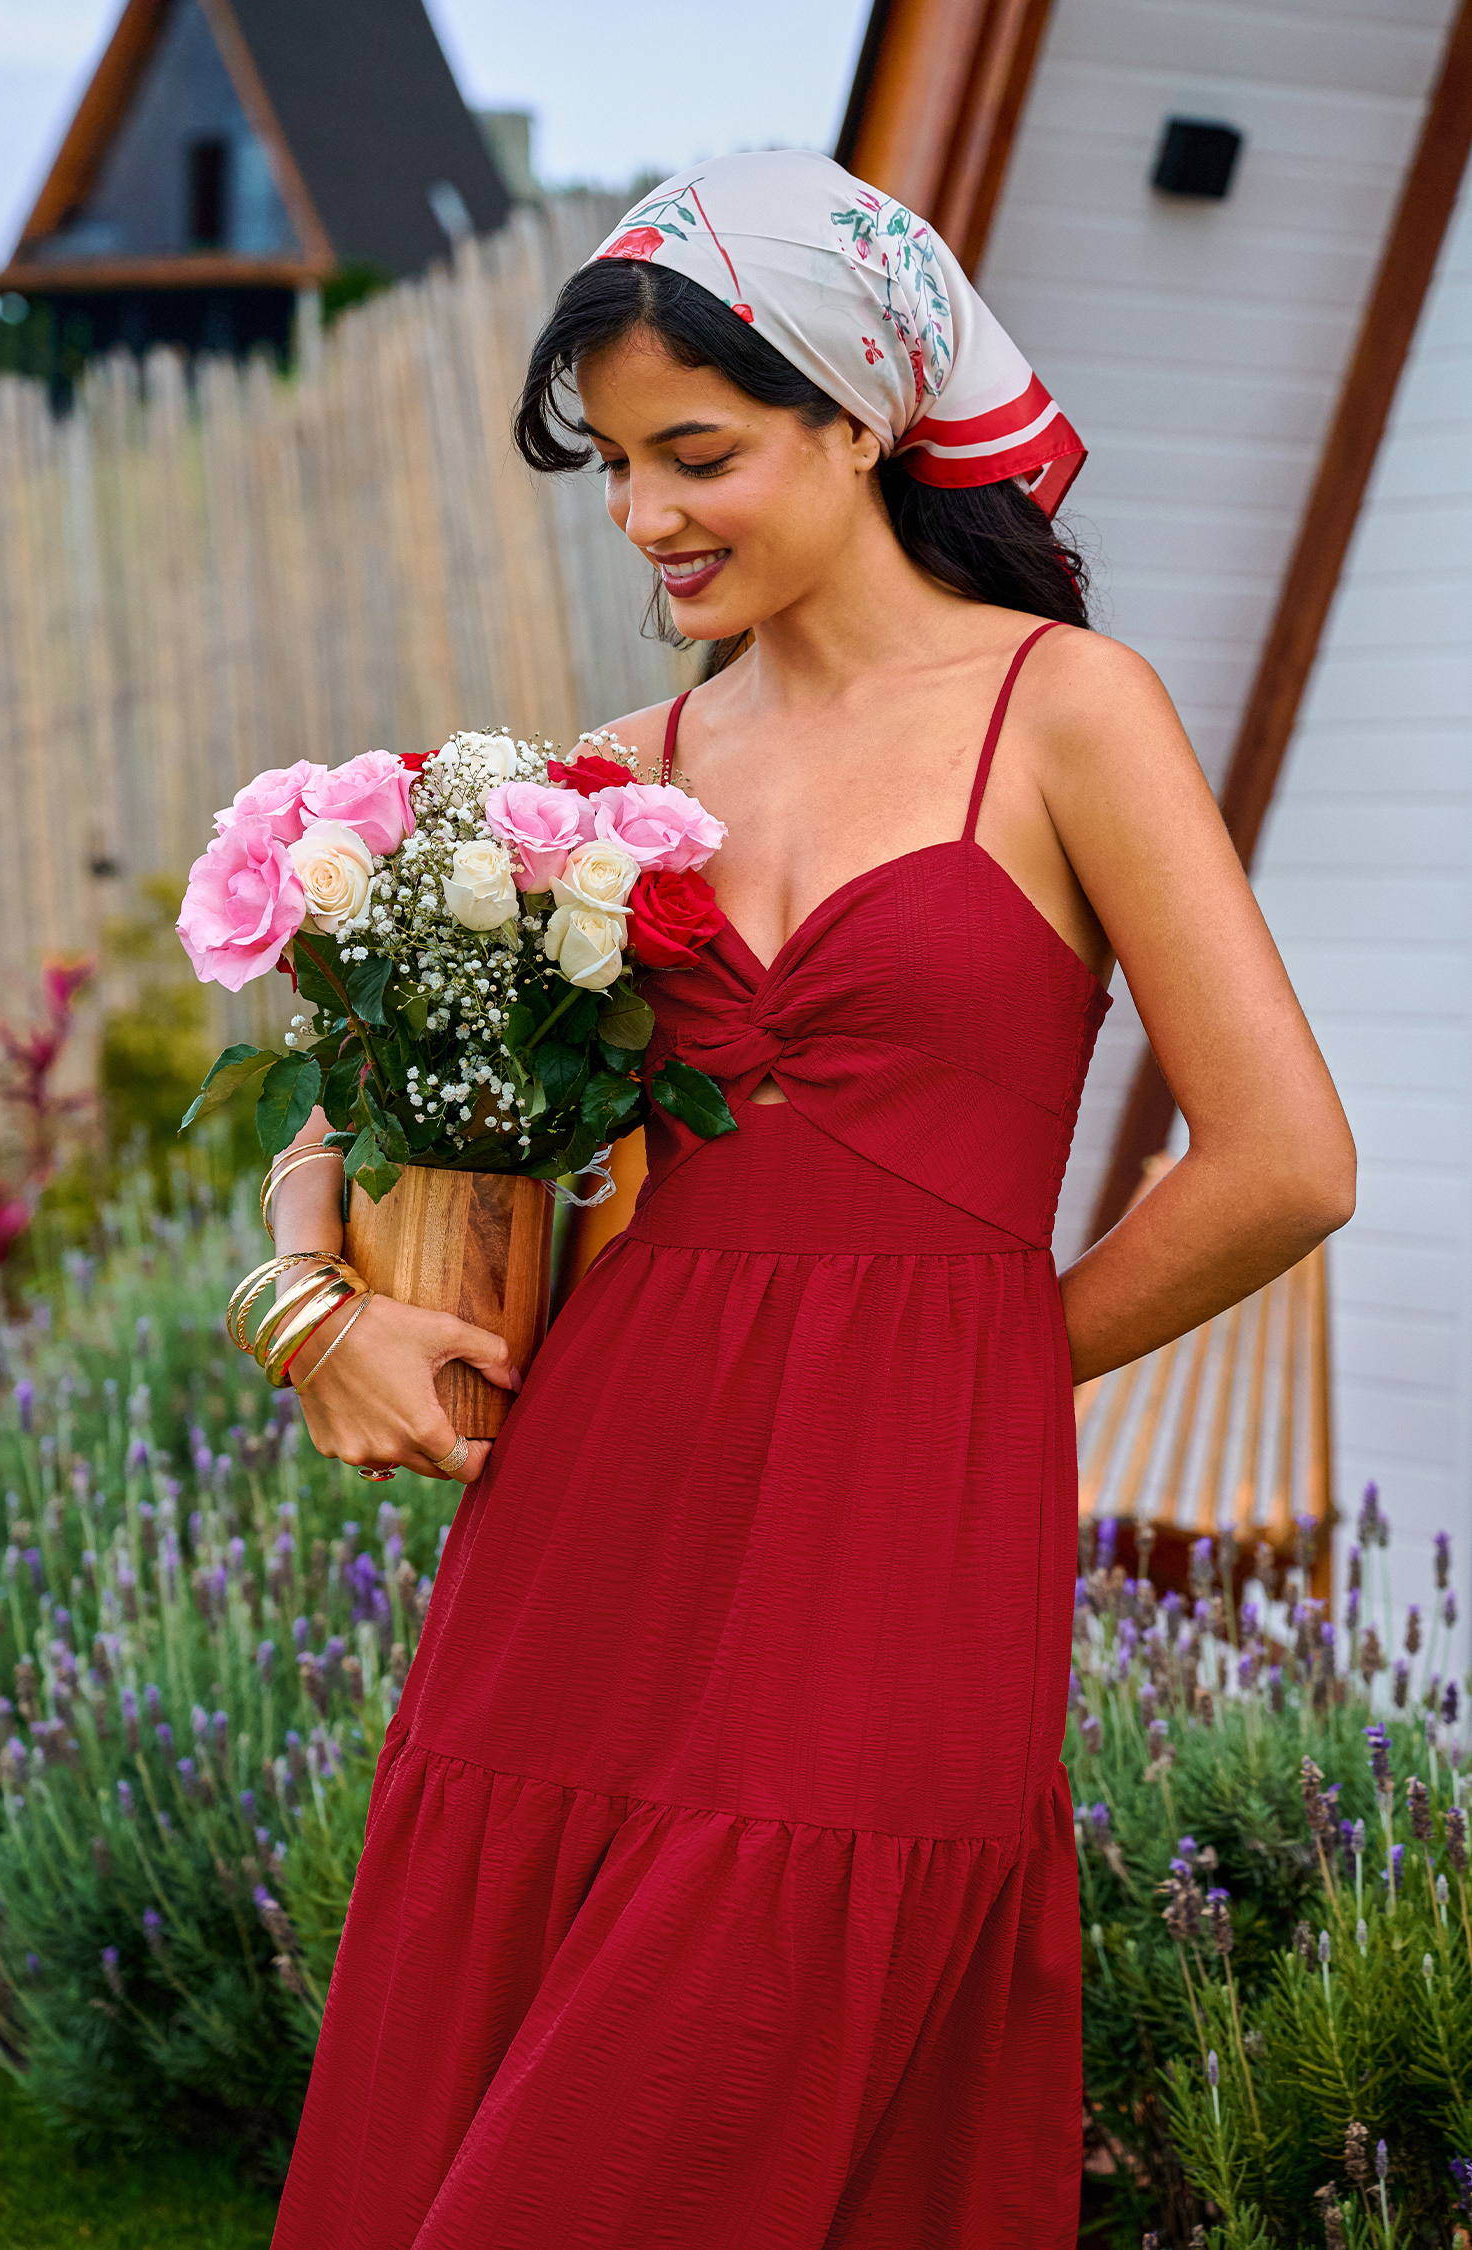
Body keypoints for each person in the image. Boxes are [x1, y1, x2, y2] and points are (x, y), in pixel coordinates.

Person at [269, 151, 1354, 2247]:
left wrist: (988, 1358)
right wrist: (318, 1305)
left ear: (860, 417)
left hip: (900, 1536)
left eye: (700, 451)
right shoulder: (613, 766)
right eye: (612, 465)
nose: (645, 515)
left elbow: (1286, 1159)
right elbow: (347, 1108)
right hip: (587, 1540)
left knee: (715, 2103)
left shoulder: (1064, 713)